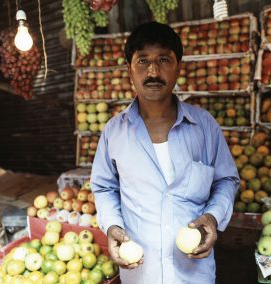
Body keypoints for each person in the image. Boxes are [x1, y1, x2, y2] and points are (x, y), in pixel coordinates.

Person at [90, 21, 239, 284]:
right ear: (129, 70)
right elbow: (103, 188)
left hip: (194, 274)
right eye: (142, 61)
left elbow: (226, 179)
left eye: (164, 60)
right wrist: (112, 226)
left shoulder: (204, 126)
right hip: (140, 273)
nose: (153, 71)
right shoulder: (114, 132)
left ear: (178, 67)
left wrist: (213, 217)